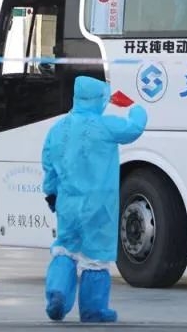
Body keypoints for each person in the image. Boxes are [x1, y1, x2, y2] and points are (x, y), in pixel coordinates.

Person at [41, 76, 148, 323]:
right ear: (98, 99)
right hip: (99, 207)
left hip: (68, 204)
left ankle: (57, 293)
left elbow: (49, 166)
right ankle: (93, 310)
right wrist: (134, 106)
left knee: (65, 249)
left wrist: (51, 194)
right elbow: (134, 128)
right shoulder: (105, 126)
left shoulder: (57, 129)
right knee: (95, 259)